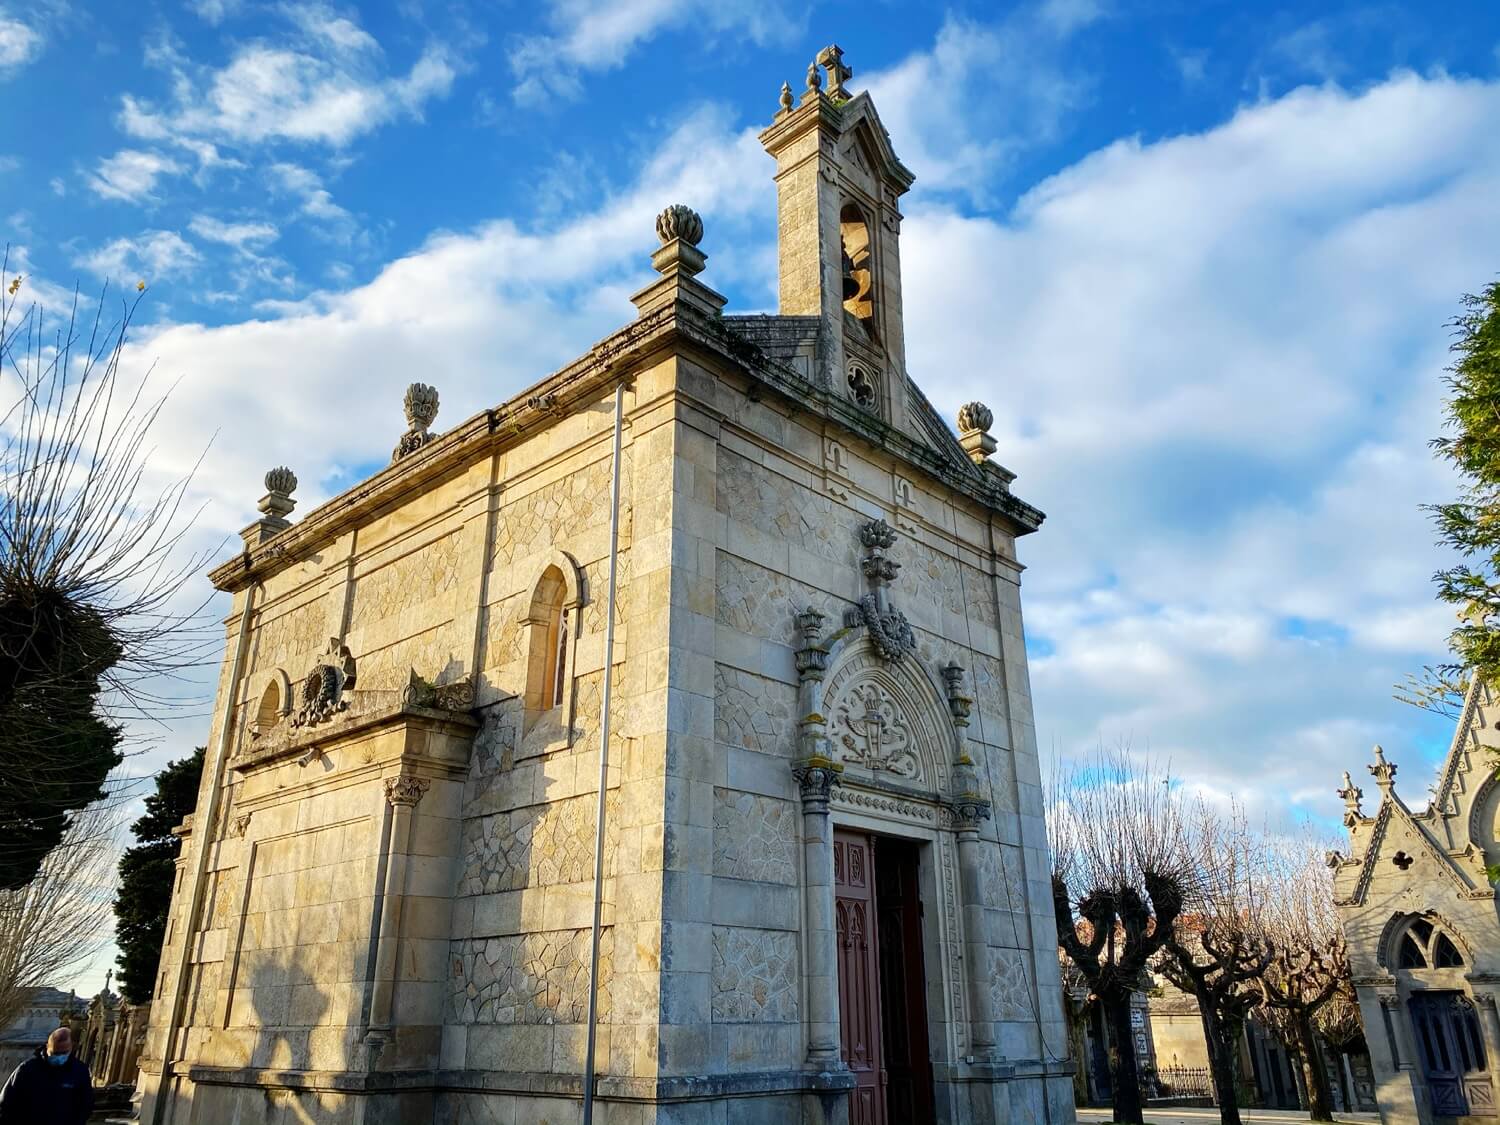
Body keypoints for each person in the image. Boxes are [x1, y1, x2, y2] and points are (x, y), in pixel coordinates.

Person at [0, 1026, 94, 1124]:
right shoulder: (27, 1069)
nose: (59, 1057)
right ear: (47, 1047)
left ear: (71, 1048)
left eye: (64, 1052)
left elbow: (86, 1104)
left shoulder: (79, 1071)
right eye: (55, 1053)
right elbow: (6, 1102)